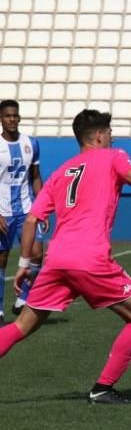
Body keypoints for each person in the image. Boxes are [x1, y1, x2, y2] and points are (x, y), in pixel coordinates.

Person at [0, 109, 131, 405]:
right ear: (98, 136)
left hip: (57, 261)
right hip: (89, 258)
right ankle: (103, 388)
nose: (112, 136)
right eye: (109, 132)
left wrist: (25, 265)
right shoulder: (113, 156)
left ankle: (103, 388)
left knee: (23, 326)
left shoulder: (61, 172)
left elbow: (31, 220)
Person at [0, 100, 45, 319]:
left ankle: (23, 299)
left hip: (27, 210)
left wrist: (43, 205)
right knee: (2, 259)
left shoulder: (31, 143)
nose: (12, 119)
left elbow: (35, 176)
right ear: (1, 119)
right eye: (8, 116)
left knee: (37, 253)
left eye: (15, 115)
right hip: (3, 212)